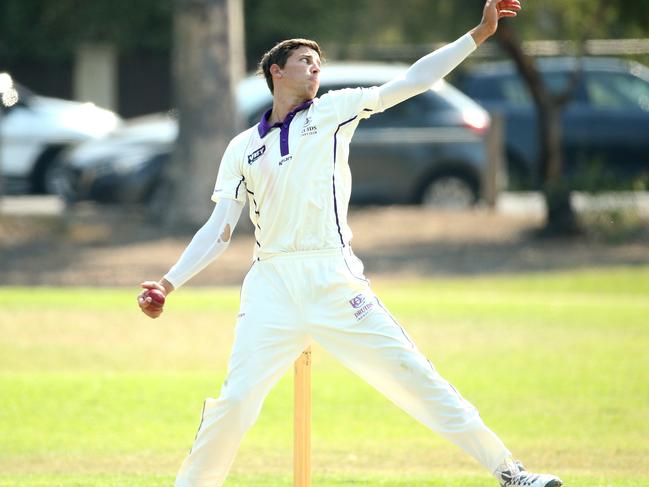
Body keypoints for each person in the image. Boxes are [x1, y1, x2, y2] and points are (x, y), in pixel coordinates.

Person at [138, 1, 563, 486]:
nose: (315, 66)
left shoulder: (335, 111)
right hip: (270, 284)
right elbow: (218, 229)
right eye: (303, 60)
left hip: (333, 279)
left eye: (319, 62)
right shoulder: (241, 147)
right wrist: (169, 283)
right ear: (276, 71)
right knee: (236, 401)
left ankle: (510, 473)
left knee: (416, 379)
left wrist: (479, 34)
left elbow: (413, 81)